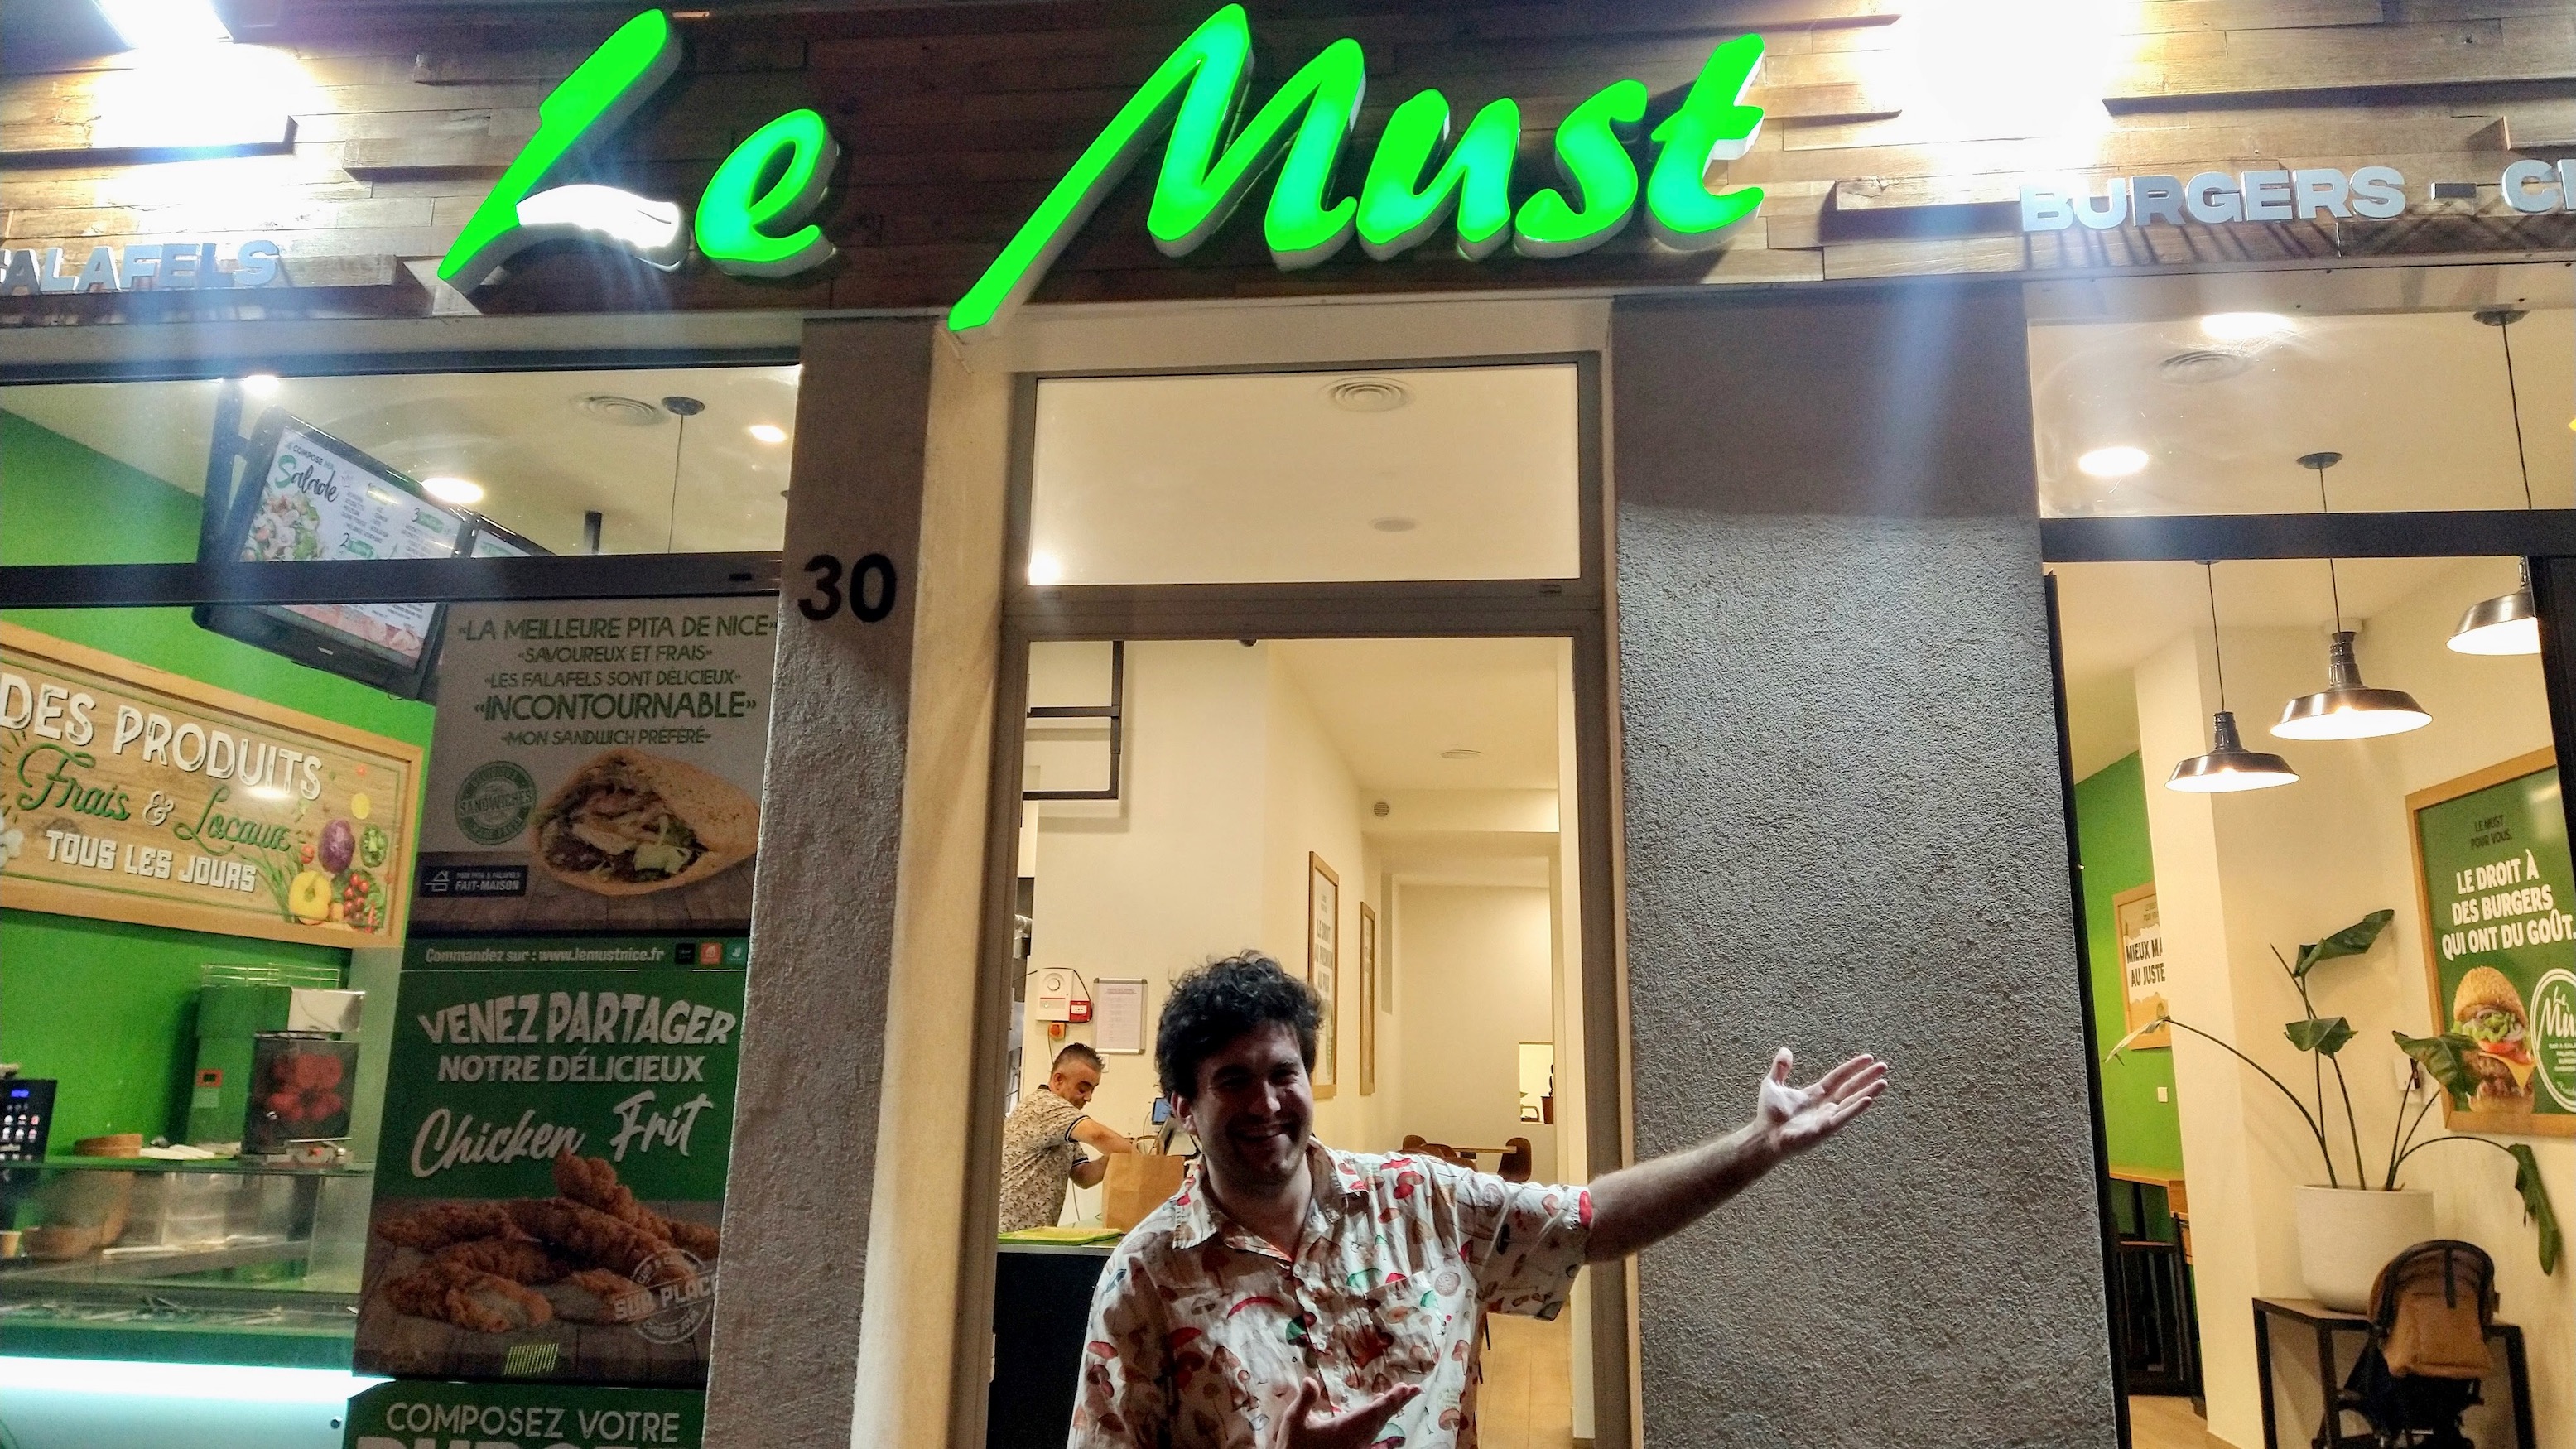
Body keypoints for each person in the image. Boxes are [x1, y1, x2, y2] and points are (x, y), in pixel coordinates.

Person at [1070, 953, 1888, 1449]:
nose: (1266, 1102)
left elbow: (1588, 1219)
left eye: (1282, 1072)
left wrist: (1755, 1147)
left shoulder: (1417, 1200)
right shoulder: (1144, 1279)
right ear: (1184, 1106)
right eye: (1231, 1081)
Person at [1000, 1041, 1140, 1233]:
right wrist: (1141, 1158)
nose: (1089, 1097)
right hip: (1010, 1234)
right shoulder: (1045, 1105)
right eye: (1083, 1088)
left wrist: (1113, 1156)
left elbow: (1084, 1176)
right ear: (1058, 1080)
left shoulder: (1064, 1127)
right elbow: (1097, 1135)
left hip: (1030, 1236)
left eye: (1093, 1089)